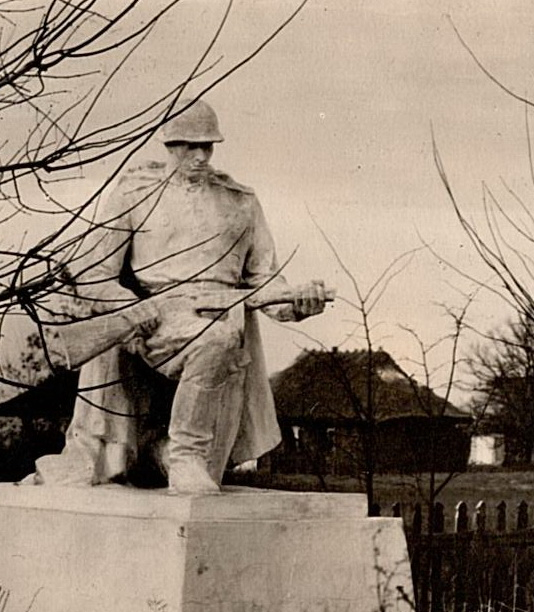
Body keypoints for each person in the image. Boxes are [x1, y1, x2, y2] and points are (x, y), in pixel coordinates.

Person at [32, 100, 327, 494]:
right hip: (155, 319)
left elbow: (266, 281)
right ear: (169, 145)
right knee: (217, 341)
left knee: (221, 338)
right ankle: (186, 455)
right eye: (190, 146)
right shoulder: (135, 195)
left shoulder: (240, 202)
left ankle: (180, 454)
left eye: (208, 146)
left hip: (220, 313)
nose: (201, 156)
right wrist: (132, 309)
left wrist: (298, 302)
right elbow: (92, 272)